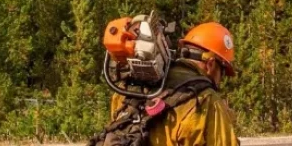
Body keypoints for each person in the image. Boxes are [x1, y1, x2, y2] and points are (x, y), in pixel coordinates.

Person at [102, 21, 240, 146]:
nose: (221, 79)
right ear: (210, 64)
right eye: (222, 71)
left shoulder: (127, 89)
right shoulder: (206, 99)